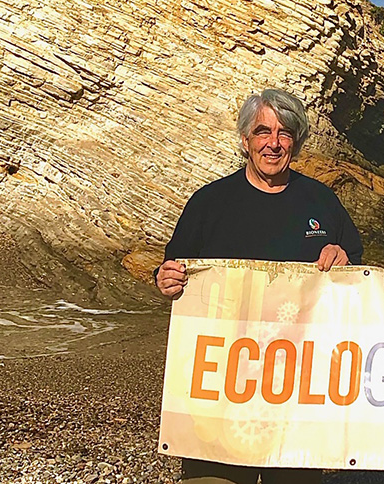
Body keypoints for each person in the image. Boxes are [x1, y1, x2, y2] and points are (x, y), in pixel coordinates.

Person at [155, 88, 362, 484]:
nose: (273, 143)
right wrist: (164, 280)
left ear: (296, 142)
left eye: (285, 133)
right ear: (246, 140)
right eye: (263, 131)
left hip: (297, 389)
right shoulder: (210, 202)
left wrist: (343, 258)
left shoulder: (321, 201)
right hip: (218, 389)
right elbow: (173, 266)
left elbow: (357, 270)